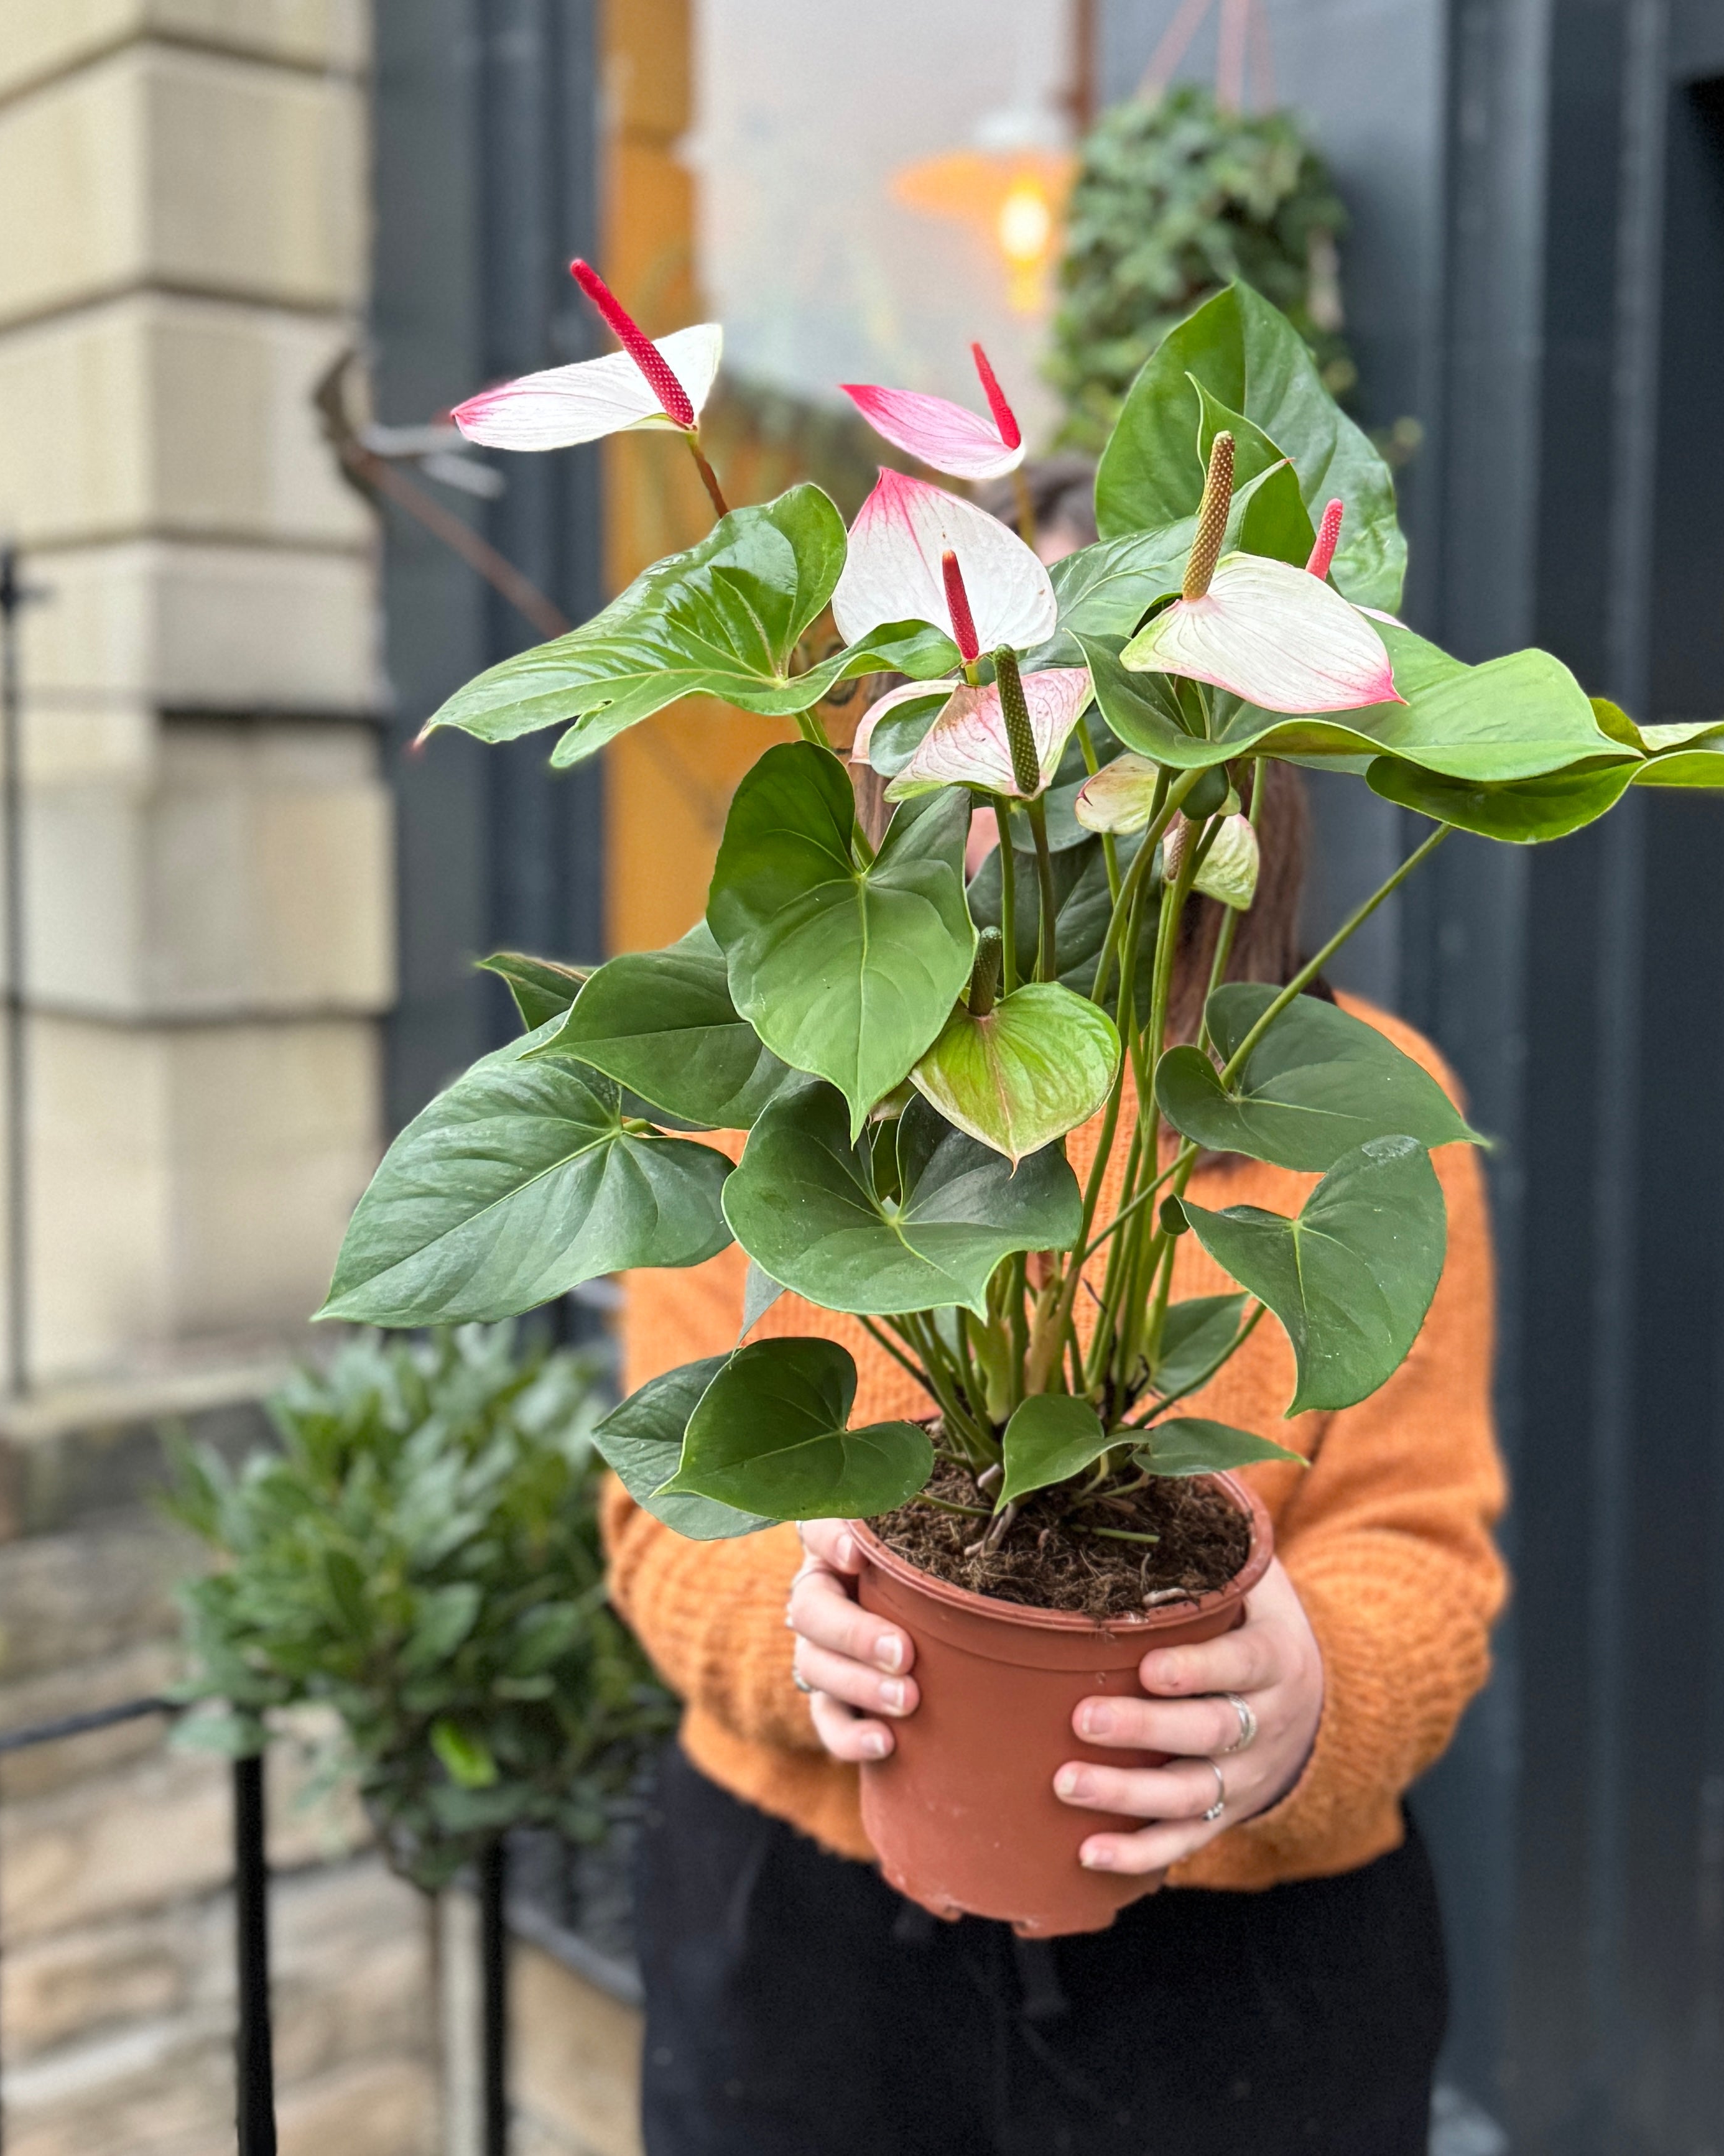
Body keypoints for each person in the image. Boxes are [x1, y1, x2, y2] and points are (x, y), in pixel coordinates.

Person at [601, 462, 1506, 2156]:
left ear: (1228, 744)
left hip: (1250, 1970)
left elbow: (1419, 1537)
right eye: (1007, 693)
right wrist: (799, 1643)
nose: (1048, 761)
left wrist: (1308, 1703)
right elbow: (672, 1507)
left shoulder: (1358, 1110)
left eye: (1133, 696)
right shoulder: (774, 1098)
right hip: (809, 1945)